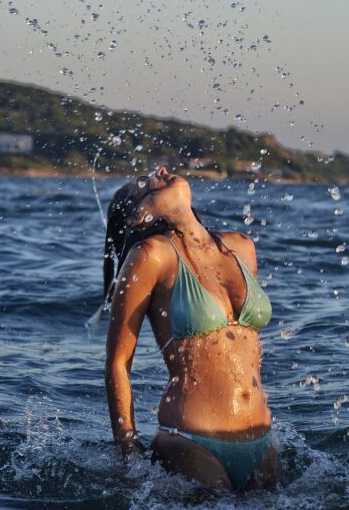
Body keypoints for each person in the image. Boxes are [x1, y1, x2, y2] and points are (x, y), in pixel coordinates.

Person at [103, 166, 280, 492]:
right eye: (147, 182)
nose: (161, 171)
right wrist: (128, 455)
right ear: (140, 214)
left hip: (261, 443)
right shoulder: (150, 257)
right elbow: (117, 364)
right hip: (191, 441)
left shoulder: (242, 247)